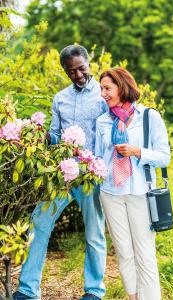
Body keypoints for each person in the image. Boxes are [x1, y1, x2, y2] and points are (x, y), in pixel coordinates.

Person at [13, 45, 107, 300]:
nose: (77, 75)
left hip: (91, 176)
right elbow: (55, 135)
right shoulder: (60, 98)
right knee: (39, 221)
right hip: (62, 174)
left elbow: (108, 134)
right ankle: (27, 289)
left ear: (89, 64)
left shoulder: (103, 95)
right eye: (71, 71)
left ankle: (94, 291)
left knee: (94, 233)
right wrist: (41, 134)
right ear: (65, 71)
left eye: (81, 68)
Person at [95, 67, 171, 300]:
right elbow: (98, 159)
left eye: (107, 88)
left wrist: (137, 152)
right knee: (124, 252)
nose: (103, 94)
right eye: (101, 89)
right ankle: (134, 296)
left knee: (144, 253)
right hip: (110, 192)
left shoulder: (149, 117)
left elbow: (164, 156)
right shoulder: (102, 121)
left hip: (140, 192)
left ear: (122, 87)